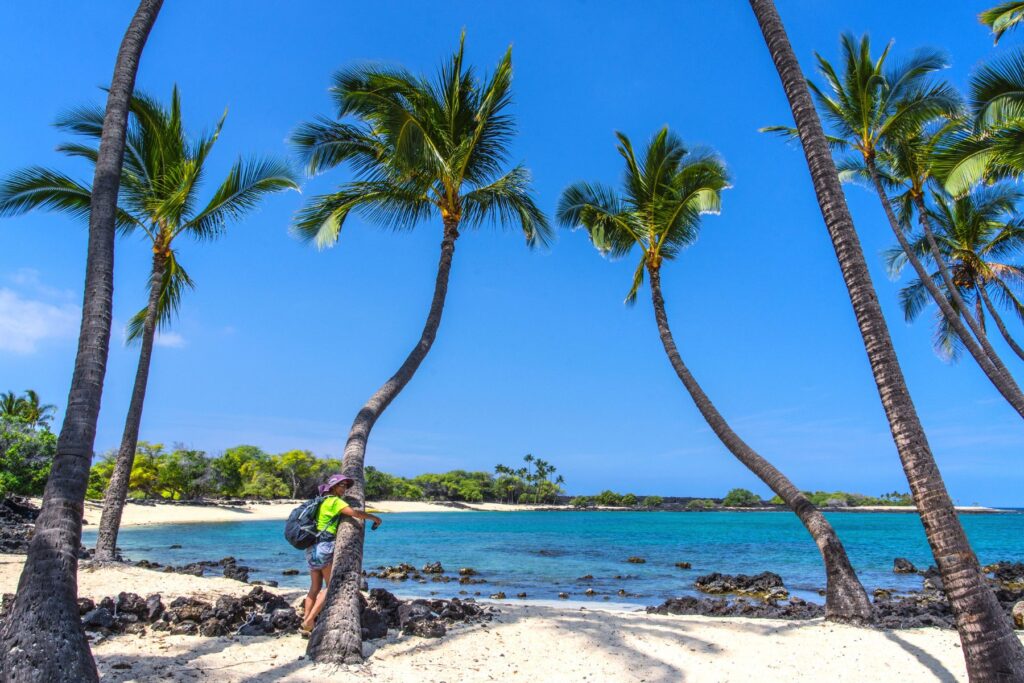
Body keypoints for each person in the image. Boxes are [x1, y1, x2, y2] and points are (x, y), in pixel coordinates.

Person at [301, 473, 383, 633]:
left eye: (346, 485)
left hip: (312, 547)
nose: (344, 488)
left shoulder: (322, 502)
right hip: (325, 547)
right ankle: (309, 621)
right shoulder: (334, 501)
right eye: (341, 485)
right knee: (330, 586)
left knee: (314, 588)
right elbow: (355, 513)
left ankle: (305, 622)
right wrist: (374, 518)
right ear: (333, 487)